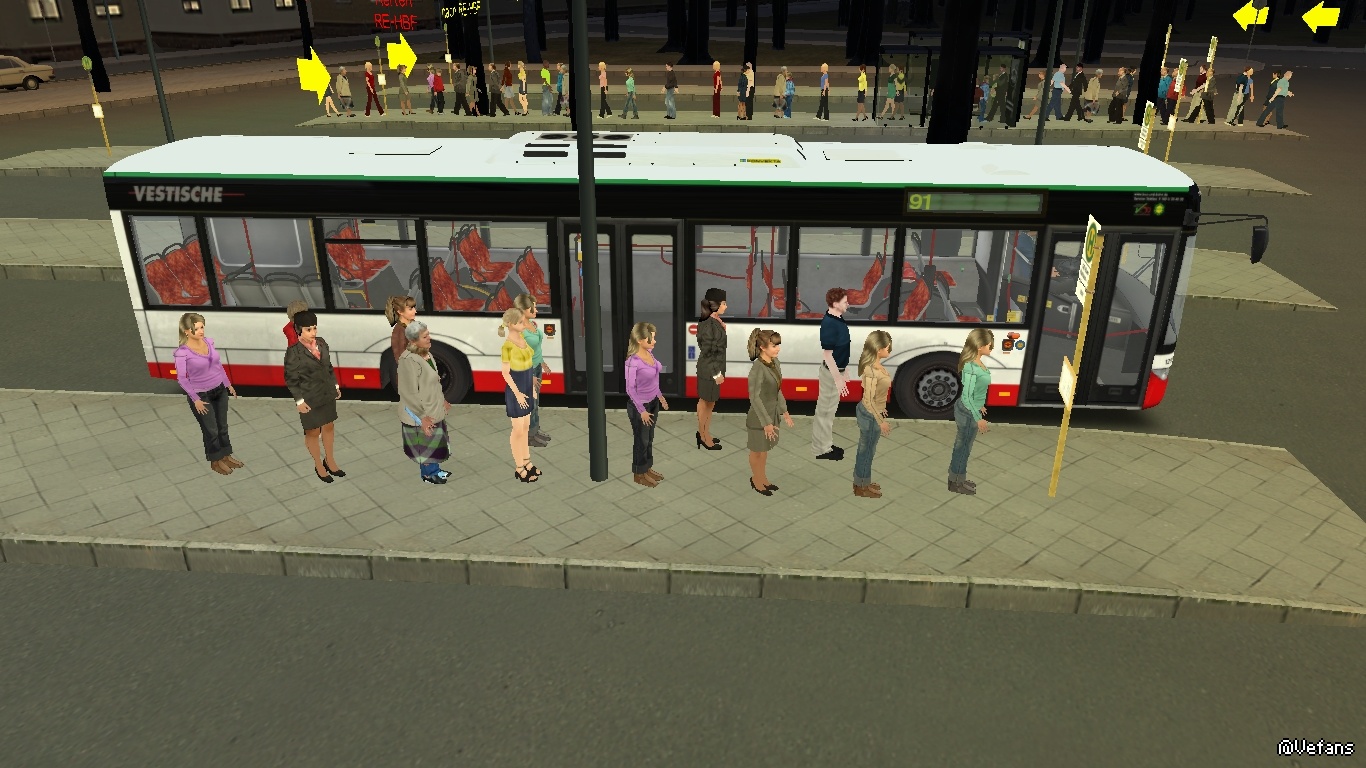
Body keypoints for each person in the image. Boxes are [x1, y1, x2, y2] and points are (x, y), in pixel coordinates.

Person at [175, 313, 242, 476]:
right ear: (186, 331)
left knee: (222, 427)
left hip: (219, 390)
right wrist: (195, 399)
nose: (201, 331)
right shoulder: (182, 353)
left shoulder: (209, 342)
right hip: (201, 395)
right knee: (211, 430)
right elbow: (182, 379)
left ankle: (226, 456)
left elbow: (218, 365)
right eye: (196, 328)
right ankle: (215, 461)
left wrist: (227, 384)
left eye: (202, 327)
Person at [283, 311, 345, 483]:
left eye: (315, 328)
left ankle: (330, 460)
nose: (313, 332)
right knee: (313, 431)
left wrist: (335, 386)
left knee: (329, 426)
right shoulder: (294, 352)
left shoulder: (322, 343)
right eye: (308, 329)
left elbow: (328, 367)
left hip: (326, 393)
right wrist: (299, 401)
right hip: (309, 397)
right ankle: (318, 464)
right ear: (299, 330)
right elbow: (291, 379)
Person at [398, 320, 453, 485]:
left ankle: (436, 470)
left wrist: (443, 400)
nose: (429, 338)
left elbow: (433, 383)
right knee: (425, 445)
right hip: (420, 412)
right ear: (413, 341)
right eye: (425, 336)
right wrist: (422, 417)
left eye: (428, 334)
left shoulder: (427, 355)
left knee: (434, 442)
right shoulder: (408, 360)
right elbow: (408, 392)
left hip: (433, 407)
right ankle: (429, 475)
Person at [746, 329, 794, 497]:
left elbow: (777, 390)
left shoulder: (775, 363)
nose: (778, 348)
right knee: (757, 451)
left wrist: (784, 411)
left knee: (764, 450)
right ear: (762, 347)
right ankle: (756, 480)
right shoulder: (757, 369)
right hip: (759, 418)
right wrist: (766, 422)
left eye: (778, 345)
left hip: (772, 414)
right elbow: (754, 397)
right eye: (774, 345)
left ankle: (763, 478)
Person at [949, 328, 994, 495]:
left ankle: (958, 479)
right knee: (962, 449)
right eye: (989, 345)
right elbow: (967, 397)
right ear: (979, 346)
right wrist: (978, 418)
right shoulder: (970, 367)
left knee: (965, 447)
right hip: (968, 413)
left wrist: (980, 405)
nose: (991, 348)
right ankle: (956, 483)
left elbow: (976, 392)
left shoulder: (978, 363)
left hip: (972, 409)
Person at [625, 322, 670, 488]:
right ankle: (639, 474)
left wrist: (660, 396)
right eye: (650, 338)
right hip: (640, 407)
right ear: (639, 340)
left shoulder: (650, 354)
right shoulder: (632, 362)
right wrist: (641, 410)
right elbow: (630, 389)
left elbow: (654, 379)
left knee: (649, 439)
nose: (654, 341)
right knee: (641, 441)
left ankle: (647, 468)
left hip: (653, 402)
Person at [498, 308, 539, 483]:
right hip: (517, 389)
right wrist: (518, 394)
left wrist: (532, 387)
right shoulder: (507, 346)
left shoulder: (522, 338)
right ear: (510, 324)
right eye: (520, 322)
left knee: (526, 427)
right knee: (518, 430)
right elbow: (506, 373)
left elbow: (529, 364)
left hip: (527, 386)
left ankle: (527, 461)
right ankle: (519, 467)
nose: (524, 324)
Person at [812, 287, 853, 461]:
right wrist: (838, 378)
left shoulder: (837, 318)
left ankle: (825, 444)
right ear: (835, 304)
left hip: (836, 370)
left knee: (829, 412)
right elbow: (828, 355)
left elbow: (840, 349)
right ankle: (821, 450)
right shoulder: (830, 324)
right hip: (831, 374)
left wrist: (844, 370)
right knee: (825, 413)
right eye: (845, 302)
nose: (848, 304)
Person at [853, 330, 893, 499]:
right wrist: (880, 421)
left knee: (869, 450)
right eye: (887, 347)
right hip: (869, 415)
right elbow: (869, 400)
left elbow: (878, 396)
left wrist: (882, 408)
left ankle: (864, 481)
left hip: (874, 412)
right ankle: (861, 486)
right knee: (866, 451)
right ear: (878, 349)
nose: (889, 350)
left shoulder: (878, 367)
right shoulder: (870, 371)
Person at [514, 293, 553, 447]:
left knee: (535, 402)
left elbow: (536, 349)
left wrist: (542, 363)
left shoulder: (533, 324)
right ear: (523, 310)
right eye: (533, 308)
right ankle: (529, 436)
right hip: (527, 371)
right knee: (529, 404)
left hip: (536, 368)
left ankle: (535, 430)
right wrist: (528, 376)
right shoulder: (519, 330)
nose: (536, 310)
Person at [695, 288, 728, 450]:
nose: (726, 306)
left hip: (711, 369)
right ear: (716, 305)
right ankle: (703, 437)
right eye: (724, 303)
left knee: (709, 403)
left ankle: (705, 433)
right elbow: (708, 352)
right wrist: (716, 374)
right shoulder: (709, 324)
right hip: (709, 371)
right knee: (706, 403)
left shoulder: (714, 321)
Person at [386, 295, 417, 367]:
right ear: (400, 312)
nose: (415, 311)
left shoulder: (410, 326)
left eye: (414, 308)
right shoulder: (400, 330)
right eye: (410, 309)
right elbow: (400, 354)